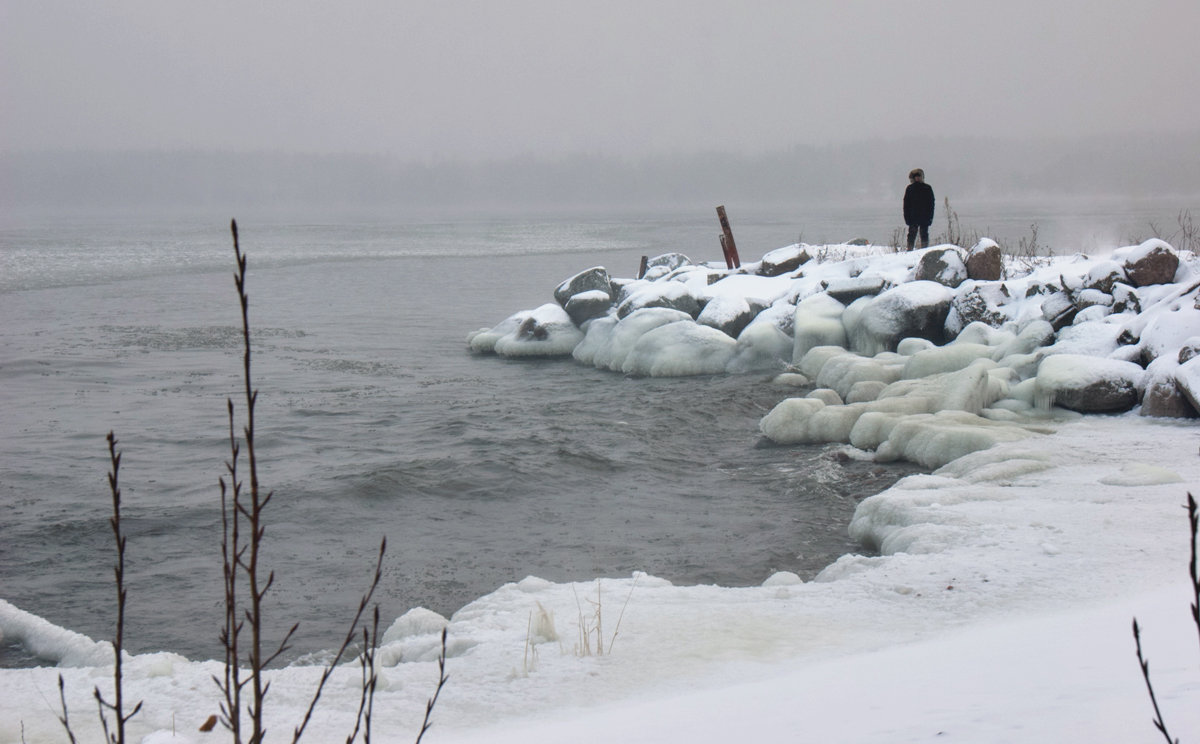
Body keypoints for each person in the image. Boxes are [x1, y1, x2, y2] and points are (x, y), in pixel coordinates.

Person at [903, 168, 935, 250]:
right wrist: (907, 218)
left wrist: (930, 217)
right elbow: (906, 205)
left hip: (924, 216)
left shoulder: (927, 188)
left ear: (922, 177)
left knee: (924, 234)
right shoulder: (910, 189)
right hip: (913, 217)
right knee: (911, 235)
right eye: (915, 176)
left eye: (919, 176)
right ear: (913, 178)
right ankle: (909, 250)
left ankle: (924, 250)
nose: (917, 178)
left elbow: (931, 204)